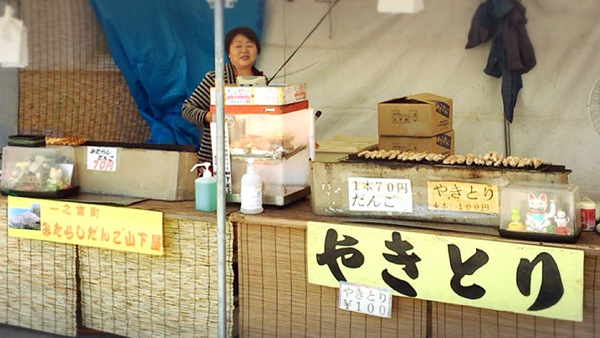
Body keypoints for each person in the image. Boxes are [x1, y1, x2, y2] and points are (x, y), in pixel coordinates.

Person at [182, 26, 264, 164]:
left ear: (257, 50)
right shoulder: (215, 79)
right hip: (216, 157)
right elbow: (186, 109)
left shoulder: (262, 80)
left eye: (250, 45)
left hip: (250, 158)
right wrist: (210, 117)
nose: (244, 50)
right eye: (238, 46)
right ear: (228, 53)